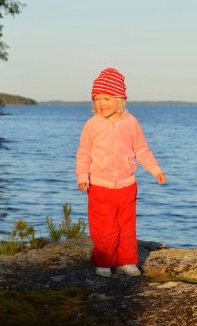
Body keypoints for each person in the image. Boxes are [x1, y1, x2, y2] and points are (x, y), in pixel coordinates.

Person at [76, 68, 166, 278]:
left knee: (126, 226)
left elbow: (142, 150)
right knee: (103, 227)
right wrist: (82, 177)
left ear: (120, 100)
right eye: (97, 99)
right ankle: (104, 261)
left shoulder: (131, 123)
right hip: (99, 185)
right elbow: (83, 153)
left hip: (127, 184)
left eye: (106, 98)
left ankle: (126, 261)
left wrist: (155, 170)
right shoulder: (92, 125)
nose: (101, 103)